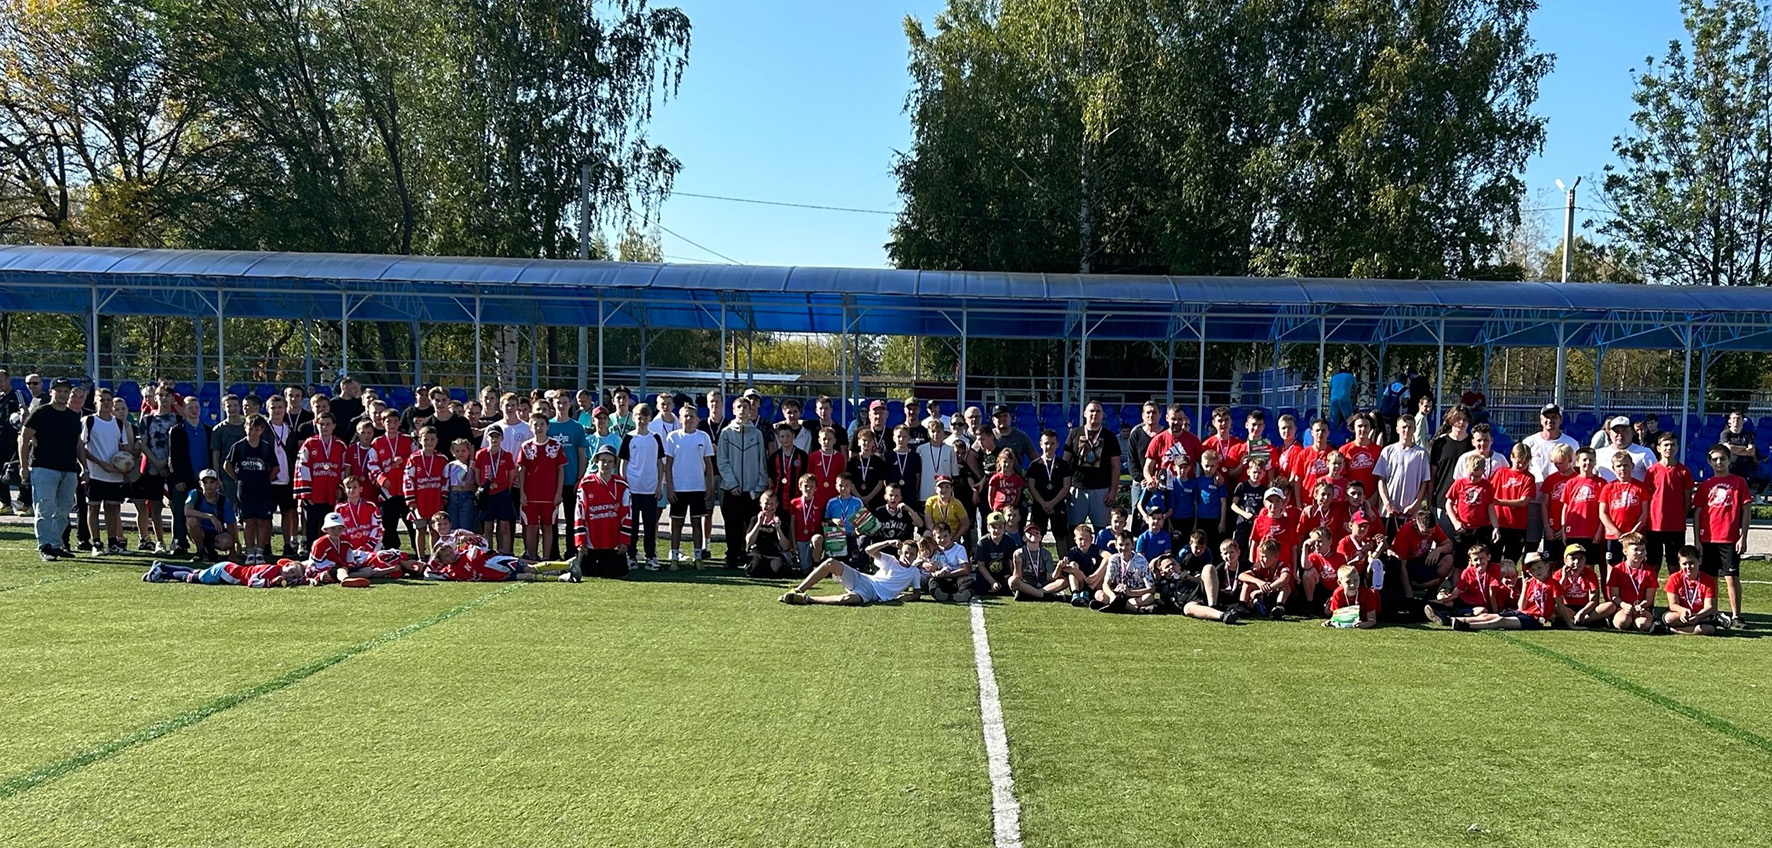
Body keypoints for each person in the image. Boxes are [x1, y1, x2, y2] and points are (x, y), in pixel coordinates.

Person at [17, 377, 81, 561]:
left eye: (66, 391)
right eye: (59, 391)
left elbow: (78, 444)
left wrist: (84, 468)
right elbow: (23, 439)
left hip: (68, 468)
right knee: (44, 507)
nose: (62, 394)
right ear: (51, 392)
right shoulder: (41, 413)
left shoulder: (73, 416)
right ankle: (44, 545)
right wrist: (24, 466)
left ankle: (55, 544)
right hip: (43, 467)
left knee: (64, 509)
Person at [1695, 445, 1752, 630]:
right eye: (1715, 459)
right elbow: (1697, 513)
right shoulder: (1705, 485)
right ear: (1709, 462)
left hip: (1729, 538)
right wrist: (1697, 540)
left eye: (1722, 459)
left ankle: (1736, 615)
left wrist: (1743, 536)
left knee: (1731, 577)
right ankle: (1713, 613)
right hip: (1708, 539)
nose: (1719, 462)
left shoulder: (1738, 482)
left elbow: (1746, 510)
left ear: (1729, 460)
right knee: (1709, 579)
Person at [779, 537, 925, 606]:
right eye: (906, 552)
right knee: (830, 562)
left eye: (912, 554)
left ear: (916, 555)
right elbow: (869, 550)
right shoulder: (890, 560)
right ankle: (798, 590)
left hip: (872, 594)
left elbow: (917, 593)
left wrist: (906, 597)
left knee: (846, 599)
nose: (908, 556)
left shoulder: (914, 572)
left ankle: (807, 599)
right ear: (901, 552)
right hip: (864, 579)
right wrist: (888, 542)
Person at [78, 387, 133, 556]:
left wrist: (126, 466)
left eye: (109, 400)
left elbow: (123, 448)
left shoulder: (118, 423)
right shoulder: (89, 421)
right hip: (95, 473)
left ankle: (112, 542)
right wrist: (98, 464)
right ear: (95, 402)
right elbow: (81, 447)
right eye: (102, 400)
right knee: (93, 508)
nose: (106, 403)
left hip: (115, 475)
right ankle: (96, 543)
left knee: (112, 508)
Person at [715, 395, 768, 568]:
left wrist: (759, 486)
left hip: (751, 490)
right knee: (732, 525)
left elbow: (762, 460)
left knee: (751, 524)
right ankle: (731, 557)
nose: (743, 410)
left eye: (746, 407)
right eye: (739, 407)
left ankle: (749, 557)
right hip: (731, 490)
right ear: (733, 410)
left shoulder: (757, 434)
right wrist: (732, 483)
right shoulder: (726, 433)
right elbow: (722, 460)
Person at [1521, 403, 1581, 551]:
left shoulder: (1571, 443)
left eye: (1554, 417)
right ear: (1541, 420)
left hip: (1560, 501)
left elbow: (1576, 472)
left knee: (1559, 543)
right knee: (1531, 542)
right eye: (1546, 417)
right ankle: (1529, 566)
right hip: (1534, 499)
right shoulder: (1529, 442)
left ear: (1560, 420)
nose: (1550, 420)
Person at [1446, 553, 1559, 631]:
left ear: (1547, 567)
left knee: (1500, 620)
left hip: (1532, 618)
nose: (1537, 571)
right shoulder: (1526, 583)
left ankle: (1466, 625)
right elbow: (1521, 607)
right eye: (1533, 569)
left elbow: (1557, 604)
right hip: (1522, 613)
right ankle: (1452, 620)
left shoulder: (1549, 583)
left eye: (1539, 567)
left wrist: (1565, 620)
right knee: (1488, 616)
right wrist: (1525, 586)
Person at [663, 404, 715, 566]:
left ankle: (698, 557)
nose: (688, 419)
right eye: (685, 416)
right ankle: (674, 558)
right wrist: (670, 488)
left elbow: (709, 465)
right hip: (678, 489)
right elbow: (668, 466)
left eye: (692, 416)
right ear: (680, 419)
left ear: (697, 419)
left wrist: (710, 486)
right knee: (676, 524)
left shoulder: (703, 437)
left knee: (697, 523)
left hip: (698, 488)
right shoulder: (673, 437)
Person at [572, 445, 632, 579]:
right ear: (596, 461)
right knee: (587, 574)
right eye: (603, 460)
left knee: (619, 574)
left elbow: (627, 515)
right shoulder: (585, 484)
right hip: (591, 543)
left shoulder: (622, 485)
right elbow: (579, 513)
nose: (606, 464)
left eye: (610, 461)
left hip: (614, 543)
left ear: (615, 464)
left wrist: (624, 540)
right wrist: (580, 540)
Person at [619, 403, 666, 569]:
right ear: (634, 418)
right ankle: (631, 556)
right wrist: (624, 486)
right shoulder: (629, 438)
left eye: (645, 417)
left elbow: (660, 463)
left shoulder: (655, 438)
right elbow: (623, 463)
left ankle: (651, 557)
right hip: (633, 489)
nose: (642, 420)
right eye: (639, 417)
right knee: (632, 525)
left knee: (650, 525)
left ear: (650, 419)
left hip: (650, 489)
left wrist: (659, 486)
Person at [1064, 400, 1122, 533]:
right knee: (1073, 530)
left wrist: (1113, 491)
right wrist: (1065, 488)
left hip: (1101, 490)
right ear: (1084, 413)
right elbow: (1065, 463)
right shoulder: (1074, 433)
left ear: (1103, 415)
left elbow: (1115, 466)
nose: (1094, 414)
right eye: (1091, 411)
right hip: (1077, 489)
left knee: (1101, 530)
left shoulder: (1110, 437)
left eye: (1098, 411)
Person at [516, 413, 566, 561]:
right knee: (531, 527)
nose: (539, 427)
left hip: (549, 495)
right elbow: (522, 470)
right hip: (530, 495)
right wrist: (522, 493)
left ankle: (546, 558)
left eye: (542, 424)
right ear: (530, 427)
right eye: (535, 425)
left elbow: (560, 470)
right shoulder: (526, 446)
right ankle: (532, 557)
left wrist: (559, 493)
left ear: (548, 426)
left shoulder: (555, 445)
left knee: (547, 526)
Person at [1373, 413, 1431, 538]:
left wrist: (1415, 505)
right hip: (1389, 511)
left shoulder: (1421, 454)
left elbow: (1424, 482)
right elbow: (1381, 480)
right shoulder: (1388, 451)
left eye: (1410, 427)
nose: (1407, 430)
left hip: (1411, 512)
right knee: (1387, 543)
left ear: (1414, 429)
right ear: (1397, 429)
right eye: (1404, 427)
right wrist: (1387, 503)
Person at [1641, 431, 1691, 574]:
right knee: (1653, 563)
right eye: (1666, 445)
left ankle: (1675, 589)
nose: (1669, 448)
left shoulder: (1684, 472)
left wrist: (1679, 516)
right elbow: (1647, 497)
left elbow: (1688, 501)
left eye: (1673, 445)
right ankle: (1650, 589)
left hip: (1676, 527)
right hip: (1654, 525)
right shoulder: (1652, 471)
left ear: (1677, 448)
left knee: (1674, 564)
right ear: (1659, 448)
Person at [370, 408, 415, 552]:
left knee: (411, 522)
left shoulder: (408, 440)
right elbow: (371, 464)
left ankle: (418, 551)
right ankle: (391, 552)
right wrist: (382, 479)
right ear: (382, 423)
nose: (392, 425)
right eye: (388, 421)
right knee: (388, 523)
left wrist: (405, 460)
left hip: (406, 489)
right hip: (387, 490)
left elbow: (417, 459)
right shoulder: (377, 442)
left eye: (395, 421)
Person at [1598, 451, 1648, 569]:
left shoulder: (1641, 487)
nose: (1622, 468)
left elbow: (1644, 513)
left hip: (1635, 535)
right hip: (1613, 536)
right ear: (1613, 468)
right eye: (1619, 466)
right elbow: (1603, 513)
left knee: (1634, 565)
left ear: (1632, 466)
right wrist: (1616, 532)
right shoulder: (1608, 488)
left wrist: (1633, 532)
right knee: (1612, 567)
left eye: (1626, 465)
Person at [1557, 448, 1606, 567]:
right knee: (1572, 565)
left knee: (1589, 565)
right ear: (1577, 462)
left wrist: (1599, 530)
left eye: (1591, 460)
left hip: (1591, 532)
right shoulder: (1571, 483)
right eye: (1584, 460)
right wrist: (1563, 529)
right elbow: (1565, 507)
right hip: (1573, 531)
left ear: (1595, 462)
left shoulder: (1601, 483)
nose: (1587, 463)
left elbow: (1604, 510)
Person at [473, 424, 518, 554]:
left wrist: (505, 487)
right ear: (487, 438)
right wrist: (482, 487)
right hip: (487, 494)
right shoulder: (481, 454)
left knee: (504, 526)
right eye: (491, 436)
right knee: (488, 527)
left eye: (497, 436)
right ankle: (488, 553)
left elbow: (511, 474)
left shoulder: (506, 455)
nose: (494, 439)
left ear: (502, 438)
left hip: (502, 493)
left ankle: (506, 552)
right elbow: (477, 472)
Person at [1490, 444, 1536, 566]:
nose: (1521, 466)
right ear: (1511, 457)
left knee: (1511, 560)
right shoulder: (1501, 473)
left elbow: (1523, 501)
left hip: (1517, 525)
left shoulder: (1529, 478)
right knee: (1494, 559)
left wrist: (1499, 502)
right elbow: (1490, 492)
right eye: (1519, 462)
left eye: (1525, 462)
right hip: (1499, 523)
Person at [1606, 536, 1661, 633]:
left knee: (1643, 625)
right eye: (1635, 550)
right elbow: (1614, 596)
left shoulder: (1649, 571)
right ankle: (1614, 619)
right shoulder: (1617, 570)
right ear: (1625, 551)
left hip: (1642, 608)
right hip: (1623, 607)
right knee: (1622, 622)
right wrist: (1624, 605)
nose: (1639, 553)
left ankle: (1641, 620)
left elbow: (1649, 598)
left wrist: (1642, 605)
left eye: (1642, 550)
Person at [1025, 429, 1071, 546]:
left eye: (1052, 443)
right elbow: (1031, 486)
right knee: (1036, 536)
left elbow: (1066, 486)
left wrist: (1052, 503)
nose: (1049, 446)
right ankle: (1036, 557)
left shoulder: (1063, 465)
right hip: (1039, 505)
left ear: (1057, 444)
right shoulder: (1034, 465)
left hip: (1058, 504)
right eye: (1046, 443)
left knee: (1061, 537)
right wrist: (1043, 503)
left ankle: (1064, 558)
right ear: (1040, 444)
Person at [1097, 527, 1158, 612]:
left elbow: (1152, 589)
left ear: (1133, 545)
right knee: (1099, 594)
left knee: (1149, 597)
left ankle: (1117, 605)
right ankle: (1128, 606)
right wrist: (1113, 596)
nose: (1124, 548)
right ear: (1116, 545)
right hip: (1117, 594)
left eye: (1127, 544)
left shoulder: (1141, 561)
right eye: (1120, 545)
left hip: (1135, 595)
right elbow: (1106, 583)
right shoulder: (1114, 559)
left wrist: (1130, 592)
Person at [184, 469, 240, 559]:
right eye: (205, 482)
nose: (209, 485)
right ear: (200, 484)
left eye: (212, 482)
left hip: (217, 533)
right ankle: (201, 550)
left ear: (217, 484)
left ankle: (209, 549)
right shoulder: (195, 494)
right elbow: (187, 511)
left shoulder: (223, 500)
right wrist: (210, 517)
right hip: (199, 531)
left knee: (227, 541)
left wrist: (232, 551)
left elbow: (231, 524)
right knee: (191, 521)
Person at [1663, 545, 1720, 636]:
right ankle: (1692, 628)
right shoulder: (1674, 578)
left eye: (1691, 563)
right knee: (1669, 618)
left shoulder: (1708, 581)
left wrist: (1698, 616)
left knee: (1709, 629)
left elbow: (1709, 606)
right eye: (1684, 564)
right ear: (1679, 563)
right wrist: (1682, 611)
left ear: (1699, 561)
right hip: (1681, 615)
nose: (1688, 567)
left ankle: (1671, 630)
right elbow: (1673, 605)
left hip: (1700, 615)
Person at [142, 558, 304, 587]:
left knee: (197, 572)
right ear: (286, 564)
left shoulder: (276, 571)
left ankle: (162, 567)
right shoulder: (272, 570)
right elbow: (252, 582)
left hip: (228, 569)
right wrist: (271, 582)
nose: (290, 576)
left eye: (293, 576)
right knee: (193, 578)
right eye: (291, 571)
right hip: (228, 572)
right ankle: (160, 572)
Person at [1553, 544, 1609, 629]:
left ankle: (1575, 620)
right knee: (1554, 607)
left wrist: (1582, 612)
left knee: (1610, 606)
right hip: (1567, 607)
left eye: (1581, 559)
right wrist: (1564, 578)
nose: (1576, 562)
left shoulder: (1590, 574)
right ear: (1565, 561)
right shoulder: (1558, 574)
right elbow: (1556, 596)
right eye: (1573, 559)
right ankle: (1583, 621)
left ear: (1585, 560)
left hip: (1586, 607)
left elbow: (1594, 600)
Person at [743, 488, 794, 578]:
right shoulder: (755, 519)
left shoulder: (780, 520)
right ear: (760, 504)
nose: (769, 507)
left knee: (780, 571)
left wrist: (778, 529)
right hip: (757, 552)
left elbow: (785, 546)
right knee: (754, 570)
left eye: (772, 504)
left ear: (777, 504)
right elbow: (749, 541)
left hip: (774, 553)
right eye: (766, 504)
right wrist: (758, 524)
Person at [1237, 538, 1292, 618]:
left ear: (1276, 557)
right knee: (1247, 583)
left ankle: (1279, 607)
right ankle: (1242, 606)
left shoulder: (1283, 565)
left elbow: (1285, 579)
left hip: (1275, 595)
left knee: (1285, 587)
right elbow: (1241, 575)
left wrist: (1265, 589)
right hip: (1262, 596)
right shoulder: (1260, 566)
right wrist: (1258, 582)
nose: (1261, 559)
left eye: (1264, 557)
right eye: (1260, 556)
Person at [1595, 417, 1654, 483]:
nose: (1620, 435)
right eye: (1616, 431)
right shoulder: (1598, 454)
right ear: (1610, 433)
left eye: (1624, 431)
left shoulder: (1645, 453)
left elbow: (1655, 478)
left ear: (1632, 432)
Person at [972, 510, 1018, 595]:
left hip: (1003, 575)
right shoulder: (982, 543)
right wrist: (992, 582)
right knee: (980, 587)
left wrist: (1006, 578)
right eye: (993, 527)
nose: (997, 530)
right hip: (987, 574)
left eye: (1000, 527)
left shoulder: (1010, 542)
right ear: (988, 528)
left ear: (1004, 527)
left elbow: (1012, 564)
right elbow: (981, 565)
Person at [768, 421, 809, 513]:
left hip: (797, 497)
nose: (785, 439)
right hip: (778, 499)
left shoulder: (802, 455)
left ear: (793, 436)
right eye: (782, 436)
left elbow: (805, 475)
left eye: (788, 436)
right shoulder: (773, 457)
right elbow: (771, 479)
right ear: (778, 438)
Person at [991, 404, 1036, 468]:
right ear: (993, 420)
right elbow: (976, 456)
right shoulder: (987, 436)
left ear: (1010, 418)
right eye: (999, 417)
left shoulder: (1021, 437)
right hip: (993, 473)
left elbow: (1035, 458)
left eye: (1005, 416)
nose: (1002, 419)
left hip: (1015, 473)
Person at [1720, 410, 1759, 480]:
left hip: (1745, 467)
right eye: (1734, 418)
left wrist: (1734, 449)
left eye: (1738, 418)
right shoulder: (1725, 434)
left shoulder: (1748, 435)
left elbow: (1751, 451)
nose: (1736, 421)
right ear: (1729, 421)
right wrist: (1744, 448)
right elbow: (1728, 448)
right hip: (1730, 467)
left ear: (1742, 421)